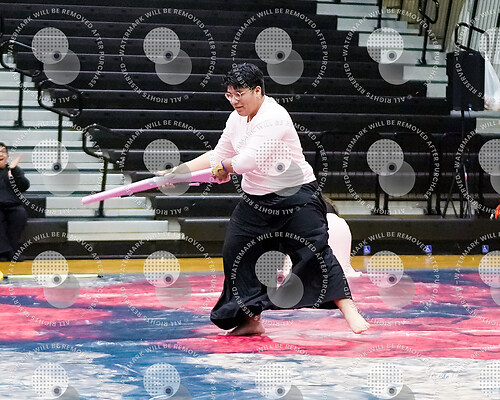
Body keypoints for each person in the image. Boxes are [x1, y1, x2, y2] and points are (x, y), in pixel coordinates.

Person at [159, 63, 369, 335]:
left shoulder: (274, 117)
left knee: (314, 252)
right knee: (237, 253)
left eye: (240, 94)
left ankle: (350, 310)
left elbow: (246, 161)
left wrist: (224, 166)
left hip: (296, 196)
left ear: (257, 91)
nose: (234, 101)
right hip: (256, 201)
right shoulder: (235, 119)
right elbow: (218, 155)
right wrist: (180, 171)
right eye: (229, 95)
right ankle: (250, 319)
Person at [0, 143, 30, 261]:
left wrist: (14, 170)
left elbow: (24, 186)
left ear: (7, 155)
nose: (0, 154)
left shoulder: (14, 170)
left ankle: (10, 252)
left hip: (13, 205)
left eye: (3, 151)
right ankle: (7, 252)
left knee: (20, 215)